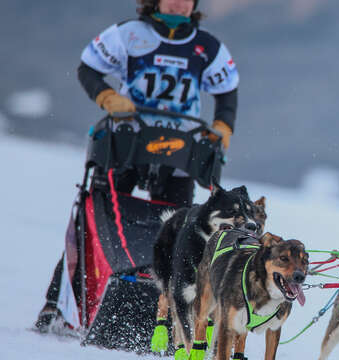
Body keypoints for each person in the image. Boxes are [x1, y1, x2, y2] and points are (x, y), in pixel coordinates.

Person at [35, 0, 239, 331]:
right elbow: (88, 68)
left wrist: (223, 126)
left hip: (179, 154)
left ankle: (171, 321)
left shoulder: (207, 47)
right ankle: (57, 308)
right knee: (96, 221)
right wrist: (106, 97)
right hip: (127, 143)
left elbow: (227, 92)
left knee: (180, 234)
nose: (180, 3)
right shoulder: (128, 35)